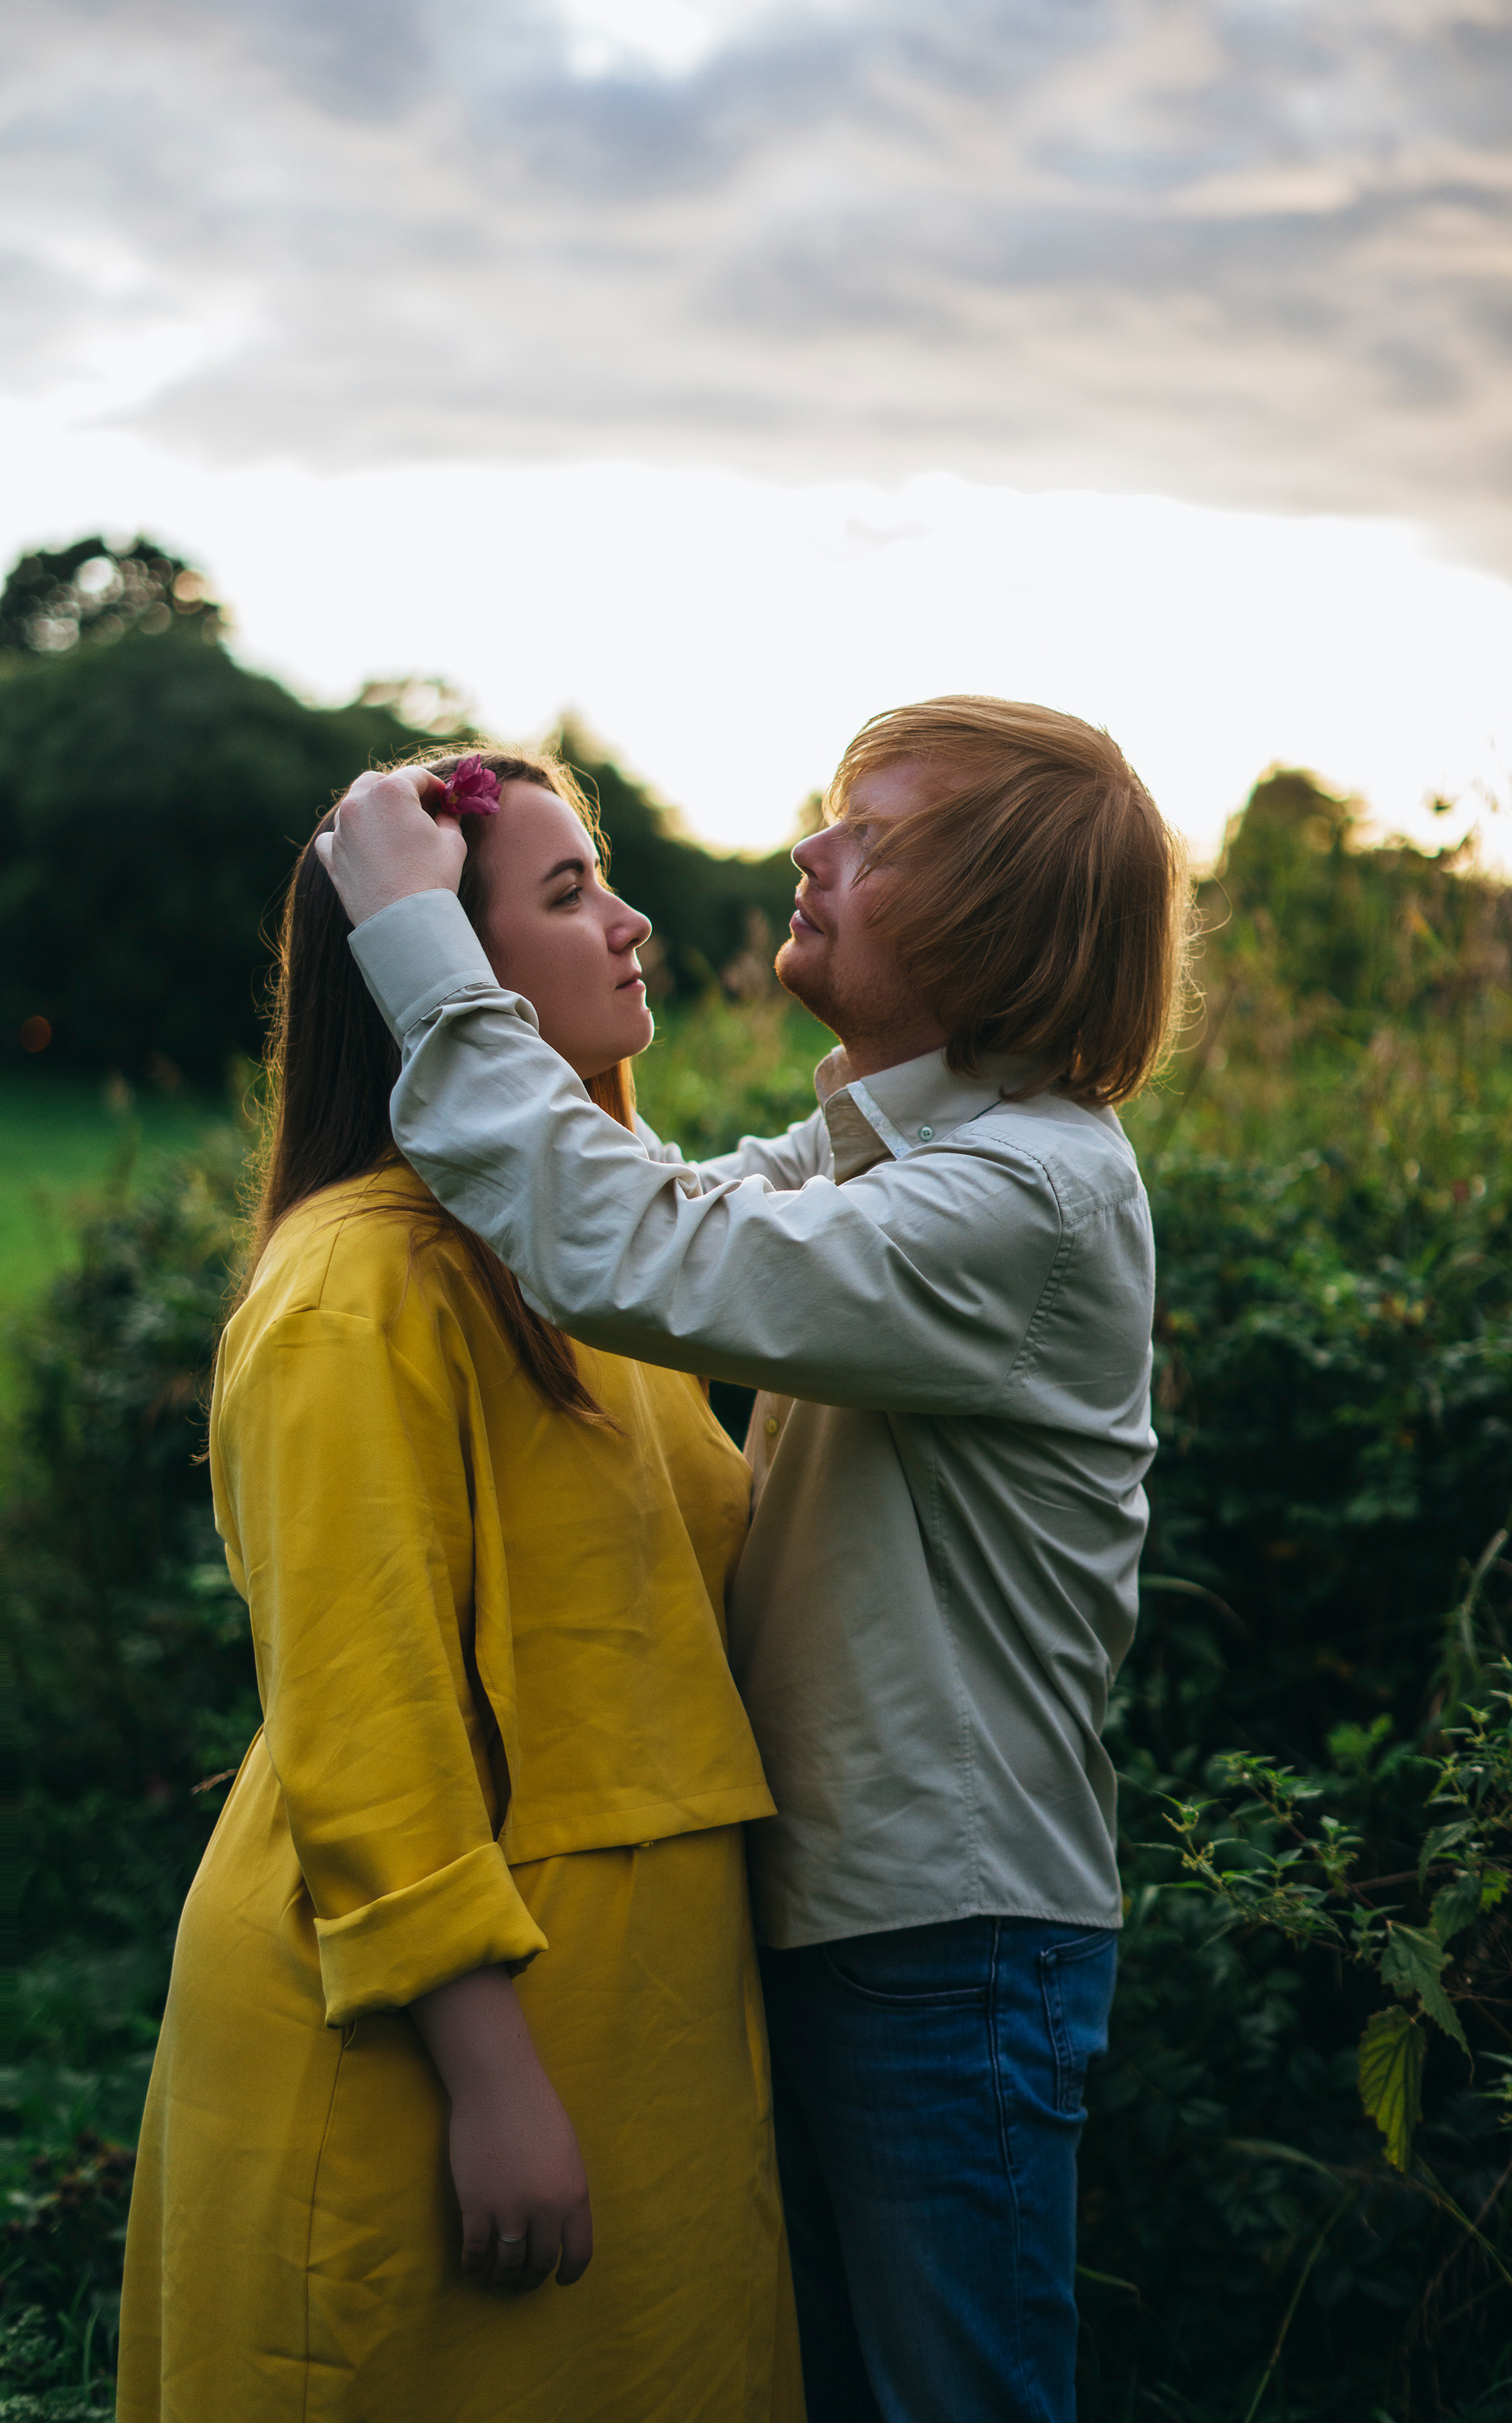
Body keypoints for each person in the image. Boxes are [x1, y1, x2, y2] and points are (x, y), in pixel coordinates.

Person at [321, 695, 1190, 2423]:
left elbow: (631, 1247)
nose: (812, 851)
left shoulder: (1025, 1201)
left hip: (950, 1941)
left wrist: (424, 941)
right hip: (871, 1917)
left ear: (991, 918)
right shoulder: (896, 1155)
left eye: (872, 835)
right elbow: (657, 1205)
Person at [117, 752, 804, 2423]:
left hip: (647, 2019)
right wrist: (492, 2079)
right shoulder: (359, 1287)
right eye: (569, 896)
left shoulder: (594, 1273)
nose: (633, 926)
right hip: (433, 2057)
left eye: (606, 878)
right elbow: (366, 1709)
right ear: (434, 969)